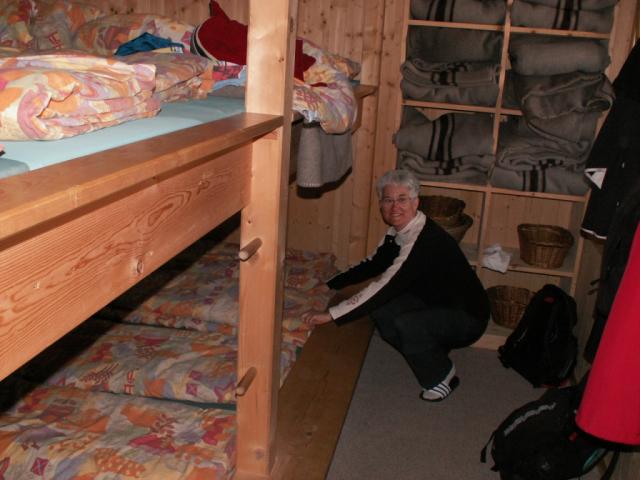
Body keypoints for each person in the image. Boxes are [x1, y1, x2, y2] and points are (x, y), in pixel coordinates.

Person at [302, 169, 489, 402]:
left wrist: (331, 315)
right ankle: (429, 349)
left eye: (402, 199)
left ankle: (442, 376)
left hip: (469, 318)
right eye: (388, 200)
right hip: (435, 302)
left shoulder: (424, 239)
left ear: (415, 203)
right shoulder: (398, 233)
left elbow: (385, 286)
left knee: (406, 323)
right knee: (381, 310)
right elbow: (372, 264)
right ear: (381, 205)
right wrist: (331, 284)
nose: (394, 207)